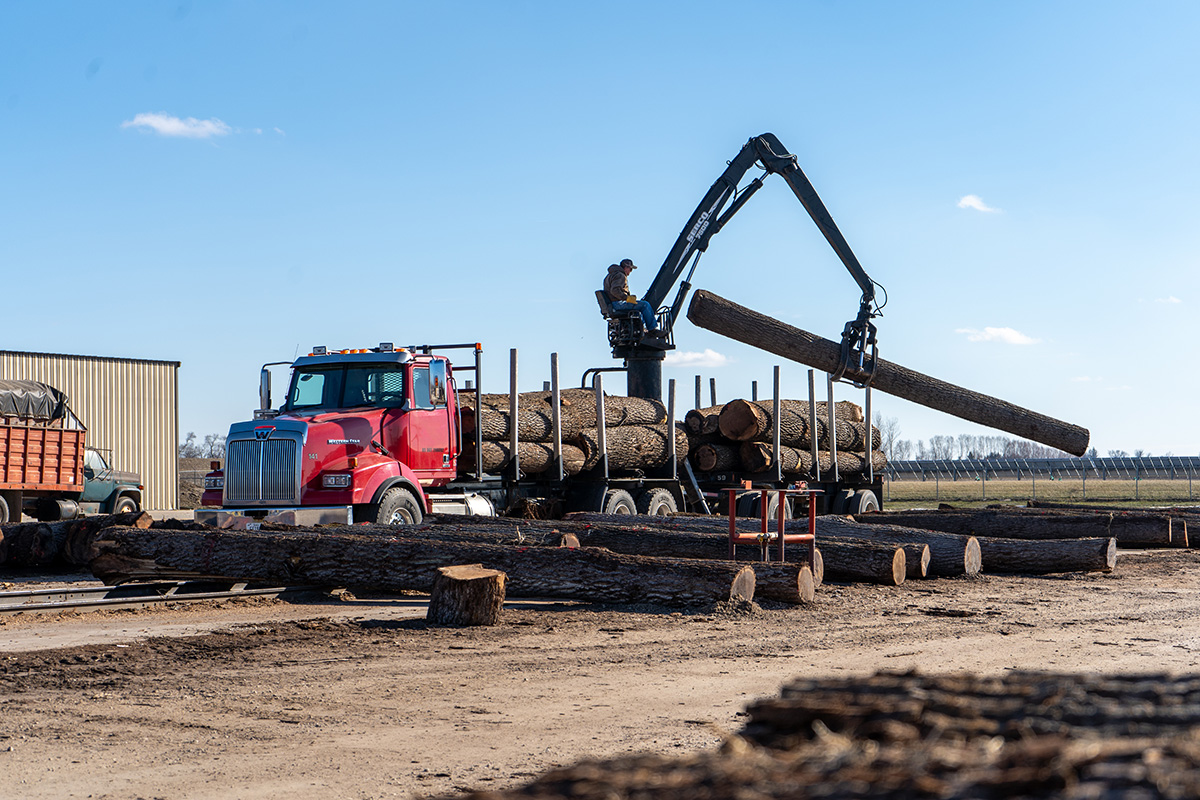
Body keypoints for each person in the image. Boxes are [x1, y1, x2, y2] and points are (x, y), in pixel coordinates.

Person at [604, 258, 665, 339]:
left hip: (612, 305)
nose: (630, 272)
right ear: (626, 267)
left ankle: (641, 328)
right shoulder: (620, 275)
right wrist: (627, 298)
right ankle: (652, 329)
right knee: (645, 305)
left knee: (638, 309)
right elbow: (614, 291)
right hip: (618, 304)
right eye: (630, 269)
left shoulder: (610, 275)